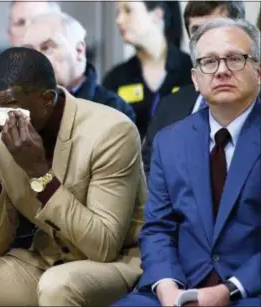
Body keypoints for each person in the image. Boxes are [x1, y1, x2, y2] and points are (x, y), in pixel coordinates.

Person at [0, 47, 147, 306]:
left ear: (47, 98)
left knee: (58, 285)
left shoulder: (112, 132)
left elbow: (104, 247)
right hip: (44, 262)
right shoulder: (5, 137)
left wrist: (39, 172)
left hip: (114, 265)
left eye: (10, 106)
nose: (0, 118)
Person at [113, 18, 261, 306]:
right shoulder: (170, 141)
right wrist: (169, 290)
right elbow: (158, 229)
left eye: (234, 59)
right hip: (180, 287)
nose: (221, 71)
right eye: (209, 61)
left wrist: (228, 290)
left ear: (258, 71)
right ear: (195, 78)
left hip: (249, 291)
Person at [142, 1, 246, 177]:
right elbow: (149, 172)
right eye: (197, 31)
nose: (206, 41)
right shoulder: (169, 108)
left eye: (216, 29)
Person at [21, 11, 136, 122]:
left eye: (47, 48)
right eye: (30, 51)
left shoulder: (114, 110)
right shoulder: (20, 107)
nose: (36, 59)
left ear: (79, 50)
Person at [102, 1, 192, 138]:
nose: (119, 20)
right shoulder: (115, 78)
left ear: (157, 14)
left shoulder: (191, 70)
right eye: (117, 13)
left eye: (128, 11)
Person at [0, 0, 61, 105]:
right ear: (9, 34)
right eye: (20, 23)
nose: (28, 30)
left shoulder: (79, 96)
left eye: (38, 21)